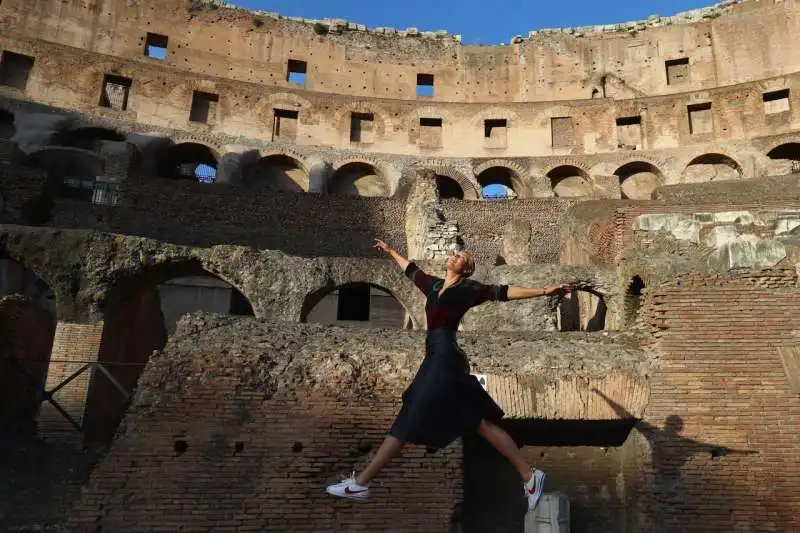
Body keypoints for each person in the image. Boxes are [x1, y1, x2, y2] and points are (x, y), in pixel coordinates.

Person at [326, 239, 571, 511]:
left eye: (460, 258)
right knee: (476, 423)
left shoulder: (468, 289)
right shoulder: (432, 286)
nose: (454, 257)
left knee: (410, 414)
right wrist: (390, 251)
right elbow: (411, 270)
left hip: (445, 356)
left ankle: (361, 483)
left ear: (465, 269)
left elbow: (504, 292)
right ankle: (529, 475)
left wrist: (547, 290)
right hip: (436, 356)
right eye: (455, 255)